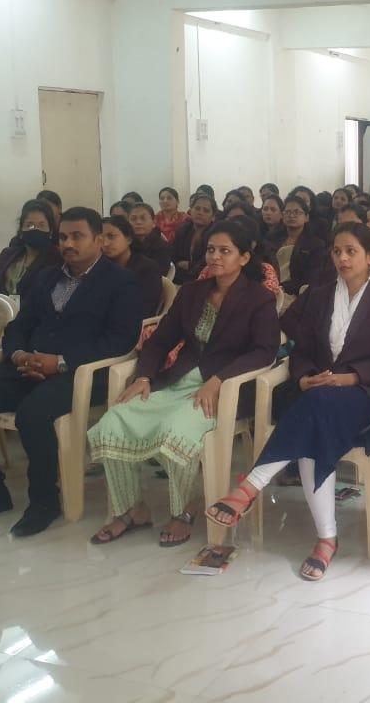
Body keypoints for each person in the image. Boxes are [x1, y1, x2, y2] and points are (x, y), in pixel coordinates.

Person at [207, 222, 370, 577]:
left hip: (361, 395)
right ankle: (326, 540)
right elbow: (302, 349)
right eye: (336, 251)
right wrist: (303, 377)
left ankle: (251, 485)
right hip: (318, 395)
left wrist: (351, 377)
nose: (342, 258)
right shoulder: (319, 295)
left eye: (351, 251)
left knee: (317, 409)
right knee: (315, 422)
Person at [0, 207, 144, 537]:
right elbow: (19, 325)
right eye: (63, 237)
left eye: (77, 236)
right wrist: (20, 355)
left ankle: (44, 502)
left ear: (97, 239)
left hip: (82, 374)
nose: (68, 243)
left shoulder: (122, 283)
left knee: (33, 414)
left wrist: (60, 361)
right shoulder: (46, 276)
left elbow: (118, 343)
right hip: (29, 365)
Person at [88, 219, 279, 547]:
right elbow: (160, 341)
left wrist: (219, 380)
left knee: (178, 430)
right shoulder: (192, 293)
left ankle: (183, 512)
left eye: (225, 251)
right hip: (177, 381)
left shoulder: (258, 299)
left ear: (245, 258)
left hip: (225, 389)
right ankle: (131, 509)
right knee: (115, 419)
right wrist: (145, 377)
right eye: (210, 250)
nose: (215, 257)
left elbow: (264, 351)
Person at [0, 199, 62, 297]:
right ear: (21, 230)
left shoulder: (56, 259)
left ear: (50, 232)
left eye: (41, 225)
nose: (35, 229)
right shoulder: (8, 254)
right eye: (30, 225)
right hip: (2, 309)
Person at [99, 214, 166, 320]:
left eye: (111, 236)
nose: (105, 243)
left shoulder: (148, 268)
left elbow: (144, 309)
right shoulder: (100, 266)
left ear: (129, 239)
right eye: (101, 239)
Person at [276, 194, 328, 296]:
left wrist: (281, 287)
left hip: (297, 294)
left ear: (306, 217)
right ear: (282, 215)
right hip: (271, 289)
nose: (291, 216)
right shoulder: (272, 240)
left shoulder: (315, 245)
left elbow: (311, 278)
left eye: (297, 212)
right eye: (288, 212)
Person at [171, 192, 216, 284]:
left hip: (206, 280)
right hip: (180, 277)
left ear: (213, 216)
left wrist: (190, 265)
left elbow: (209, 261)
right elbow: (173, 255)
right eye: (197, 208)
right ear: (190, 210)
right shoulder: (183, 229)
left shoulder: (216, 233)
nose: (200, 213)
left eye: (206, 210)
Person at [128, 202, 174, 272]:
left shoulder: (163, 247)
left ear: (154, 223)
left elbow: (158, 275)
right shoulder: (126, 244)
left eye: (143, 218)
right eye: (133, 219)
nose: (138, 222)